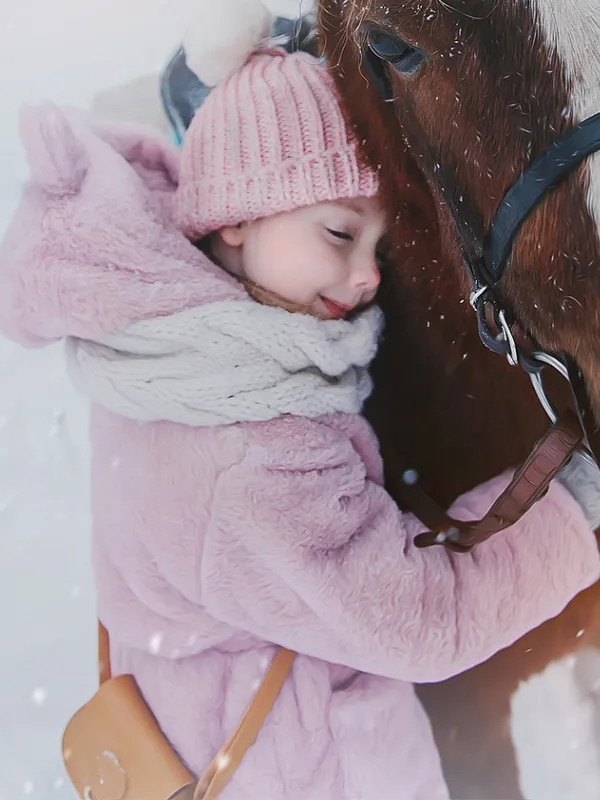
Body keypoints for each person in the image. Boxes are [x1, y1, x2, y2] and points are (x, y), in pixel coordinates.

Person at [1, 43, 599, 800]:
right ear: (239, 217)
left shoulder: (170, 349)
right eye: (340, 234)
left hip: (226, 742)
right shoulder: (251, 457)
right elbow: (426, 619)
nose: (368, 276)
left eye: (379, 245)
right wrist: (575, 501)